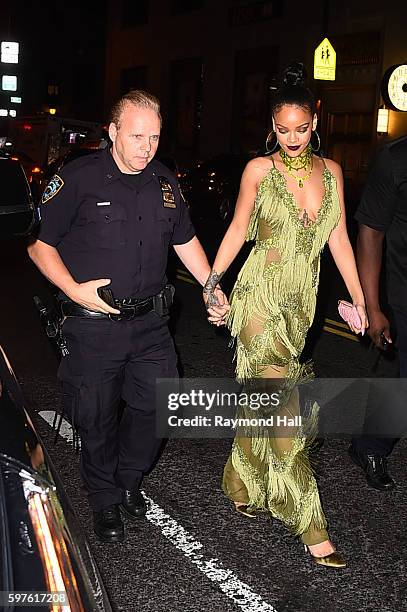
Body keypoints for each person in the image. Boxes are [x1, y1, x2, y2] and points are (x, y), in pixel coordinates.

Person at [28, 90, 228, 543]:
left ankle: (128, 480)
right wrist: (73, 289)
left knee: (158, 406)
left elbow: (185, 241)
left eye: (154, 137)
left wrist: (212, 288)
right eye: (137, 136)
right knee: (95, 418)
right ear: (113, 132)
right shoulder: (76, 179)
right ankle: (104, 500)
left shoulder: (165, 183)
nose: (146, 146)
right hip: (93, 325)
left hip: (152, 325)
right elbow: (39, 245)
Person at [203, 62, 368, 568]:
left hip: (303, 304)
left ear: (315, 122)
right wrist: (213, 282)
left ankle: (239, 481)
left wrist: (360, 300)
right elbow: (236, 230)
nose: (292, 138)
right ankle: (310, 524)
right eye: (281, 129)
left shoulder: (333, 172)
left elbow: (338, 239)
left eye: (300, 128)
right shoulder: (259, 170)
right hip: (258, 297)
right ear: (271, 127)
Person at [349, 135, 407, 490]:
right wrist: (372, 306)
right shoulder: (395, 159)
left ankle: (370, 443)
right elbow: (370, 232)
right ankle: (371, 446)